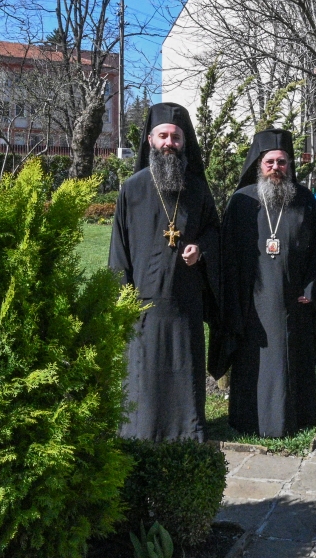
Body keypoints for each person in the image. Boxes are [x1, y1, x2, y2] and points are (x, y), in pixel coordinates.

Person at [110, 102, 221, 442]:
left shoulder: (198, 190)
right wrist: (123, 296)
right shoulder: (132, 188)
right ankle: (141, 430)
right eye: (163, 136)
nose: (169, 142)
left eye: (175, 136)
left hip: (184, 299)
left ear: (184, 142)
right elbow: (118, 248)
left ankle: (188, 428)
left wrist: (200, 249)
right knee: (143, 370)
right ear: (150, 140)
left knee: (184, 368)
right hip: (142, 300)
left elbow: (215, 232)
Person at [212, 129, 316, 438]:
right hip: (254, 304)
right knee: (255, 362)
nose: (276, 168)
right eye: (270, 162)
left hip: (294, 300)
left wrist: (311, 288)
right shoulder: (242, 201)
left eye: (282, 162)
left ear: (290, 165)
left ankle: (298, 416)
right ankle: (251, 420)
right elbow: (228, 256)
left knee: (294, 358)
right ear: (259, 164)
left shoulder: (304, 200)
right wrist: (236, 298)